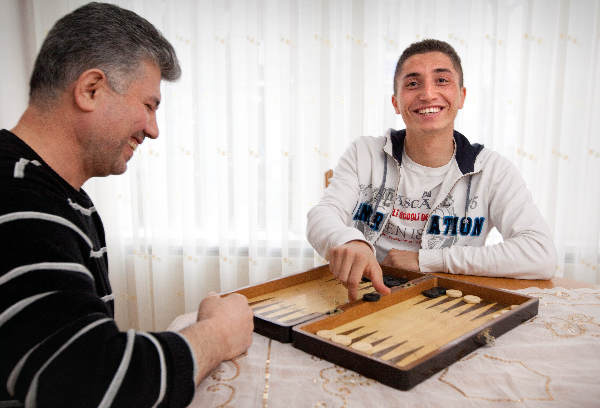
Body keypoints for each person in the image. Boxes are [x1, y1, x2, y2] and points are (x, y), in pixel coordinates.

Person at [0, 3, 253, 407]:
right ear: (91, 89)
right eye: (149, 105)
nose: (153, 130)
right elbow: (90, 384)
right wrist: (218, 334)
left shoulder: (66, 200)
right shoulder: (16, 198)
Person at [307, 39, 557, 301]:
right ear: (396, 102)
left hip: (448, 306)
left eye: (442, 81)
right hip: (367, 300)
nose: (427, 94)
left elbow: (540, 254)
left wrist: (426, 260)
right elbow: (322, 215)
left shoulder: (494, 170)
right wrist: (350, 241)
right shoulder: (364, 153)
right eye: (413, 83)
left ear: (461, 96)